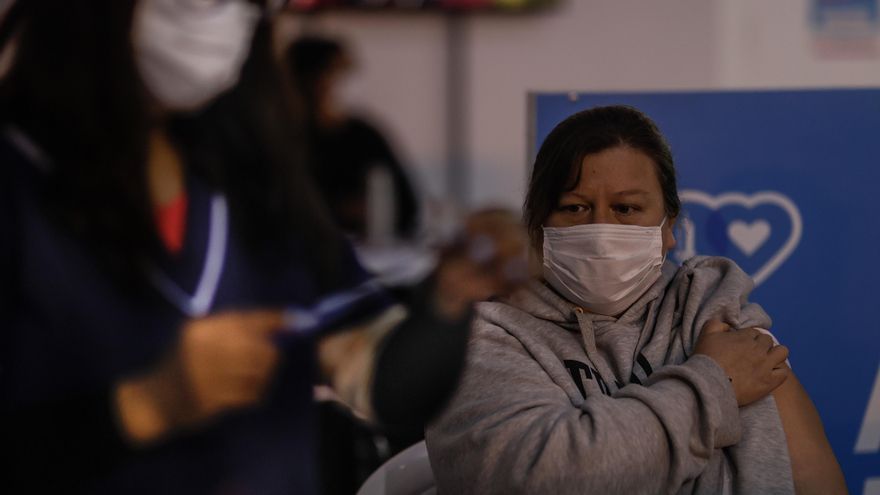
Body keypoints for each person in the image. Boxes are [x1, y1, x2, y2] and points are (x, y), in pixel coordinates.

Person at [0, 1, 522, 493]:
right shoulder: (22, 187)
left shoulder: (255, 193)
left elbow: (383, 383)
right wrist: (147, 406)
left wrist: (448, 298)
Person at [425, 105, 847, 494]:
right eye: (575, 208)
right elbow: (537, 476)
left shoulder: (709, 305)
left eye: (626, 209)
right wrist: (714, 384)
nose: (602, 231)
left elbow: (804, 475)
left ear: (668, 226)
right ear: (536, 226)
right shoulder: (476, 340)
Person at [285, 34, 420, 241]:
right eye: (322, 75)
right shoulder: (281, 139)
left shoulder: (364, 136)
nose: (326, 85)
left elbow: (407, 207)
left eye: (332, 76)